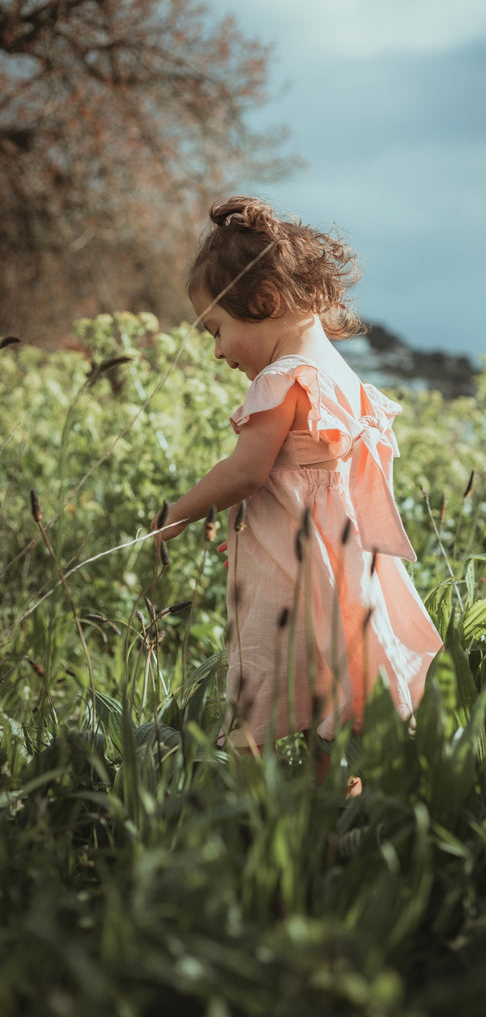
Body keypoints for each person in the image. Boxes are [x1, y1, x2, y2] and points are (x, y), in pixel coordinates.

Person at [151, 196, 442, 770]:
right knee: (330, 699)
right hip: (340, 574)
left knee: (255, 696)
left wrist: (179, 510)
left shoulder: (282, 379)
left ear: (263, 302)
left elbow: (247, 470)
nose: (216, 351)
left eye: (217, 330)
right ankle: (330, 822)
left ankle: (257, 821)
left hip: (284, 578)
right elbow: (302, 485)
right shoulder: (346, 379)